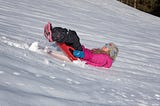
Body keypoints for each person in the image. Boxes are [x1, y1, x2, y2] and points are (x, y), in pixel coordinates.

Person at [44, 22, 119, 68]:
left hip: (80, 53)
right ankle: (52, 32)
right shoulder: (101, 54)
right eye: (106, 45)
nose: (105, 46)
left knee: (73, 37)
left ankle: (53, 35)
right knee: (72, 34)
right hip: (81, 51)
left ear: (110, 52)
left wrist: (82, 54)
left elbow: (91, 57)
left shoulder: (104, 58)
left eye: (107, 47)